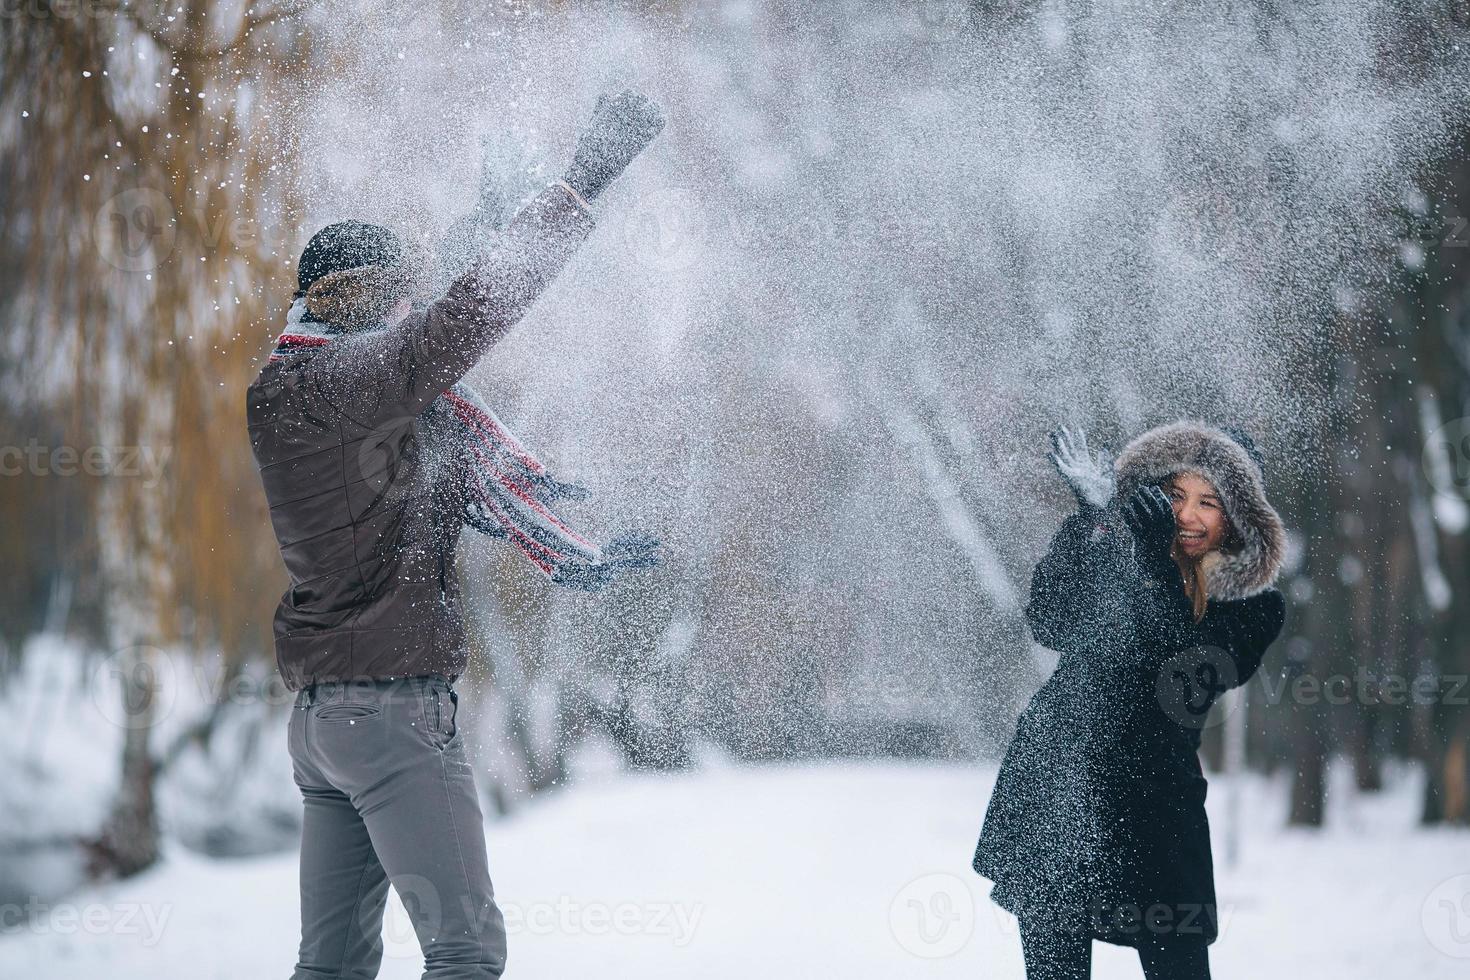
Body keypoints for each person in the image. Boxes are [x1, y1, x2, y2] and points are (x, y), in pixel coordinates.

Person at [245, 90, 664, 979]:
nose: (407, 307)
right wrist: (581, 184)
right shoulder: (354, 387)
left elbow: (425, 344)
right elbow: (461, 319)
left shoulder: (292, 391)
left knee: (332, 966)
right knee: (466, 953)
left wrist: (486, 218)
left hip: (327, 723)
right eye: (392, 294)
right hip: (393, 715)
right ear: (360, 303)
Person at [972, 421, 1288, 980]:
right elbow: (1049, 619)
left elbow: (1187, 675)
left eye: (1208, 503)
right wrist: (1092, 520)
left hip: (1156, 809)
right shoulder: (1121, 551)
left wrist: (1153, 566)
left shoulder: (1252, 606)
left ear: (1237, 520)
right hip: (1058, 785)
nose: (1187, 515)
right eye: (1176, 496)